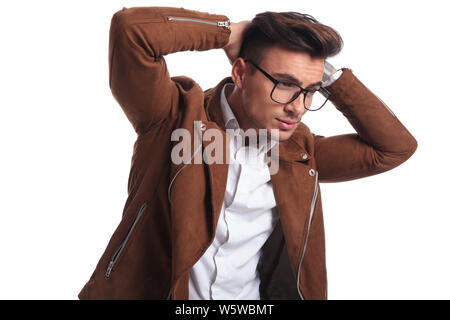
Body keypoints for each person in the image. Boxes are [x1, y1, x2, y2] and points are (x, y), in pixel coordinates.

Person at [78, 6, 417, 300]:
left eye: (310, 92)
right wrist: (226, 32)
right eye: (284, 84)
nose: (297, 108)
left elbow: (394, 147)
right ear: (240, 73)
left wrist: (327, 75)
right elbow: (131, 31)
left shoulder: (301, 152)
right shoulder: (172, 118)